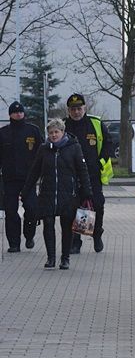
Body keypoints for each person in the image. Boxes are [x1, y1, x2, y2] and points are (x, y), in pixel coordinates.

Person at [22, 119, 92, 270]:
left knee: (66, 226)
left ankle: (65, 258)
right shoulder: (43, 149)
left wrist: (87, 191)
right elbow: (35, 171)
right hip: (47, 193)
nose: (53, 135)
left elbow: (82, 170)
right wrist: (26, 190)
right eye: (51, 133)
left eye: (56, 132)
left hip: (68, 194)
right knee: (48, 224)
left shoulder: (74, 147)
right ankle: (51, 258)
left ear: (62, 132)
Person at [64, 93, 113, 254]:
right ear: (68, 111)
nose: (76, 112)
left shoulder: (95, 123)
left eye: (79, 108)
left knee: (97, 205)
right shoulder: (64, 126)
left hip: (92, 174)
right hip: (71, 176)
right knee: (74, 209)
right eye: (73, 109)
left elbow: (108, 144)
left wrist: (100, 163)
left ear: (84, 108)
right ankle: (75, 242)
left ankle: (96, 234)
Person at [0, 101, 43, 252]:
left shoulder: (33, 131)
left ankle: (29, 235)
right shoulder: (3, 133)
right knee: (11, 212)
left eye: (20, 112)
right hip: (9, 179)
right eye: (15, 112)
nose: (18, 114)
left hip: (28, 179)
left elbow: (42, 153)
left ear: (24, 113)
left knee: (31, 209)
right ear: (10, 115)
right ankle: (14, 243)